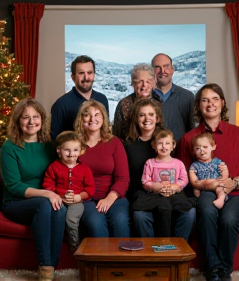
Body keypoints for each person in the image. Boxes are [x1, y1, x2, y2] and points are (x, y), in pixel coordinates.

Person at [177, 83, 239, 281]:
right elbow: (184, 176)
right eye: (205, 100)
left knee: (229, 219)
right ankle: (212, 269)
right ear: (199, 105)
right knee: (206, 212)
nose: (210, 104)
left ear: (222, 103)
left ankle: (225, 272)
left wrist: (235, 182)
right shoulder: (189, 139)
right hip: (206, 193)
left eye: (215, 99)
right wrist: (203, 186)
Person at [0, 98, 67, 281]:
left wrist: (61, 193)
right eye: (25, 117)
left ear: (42, 119)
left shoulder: (49, 146)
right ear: (17, 121)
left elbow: (59, 173)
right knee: (46, 205)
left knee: (60, 209)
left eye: (35, 117)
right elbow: (14, 185)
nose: (31, 122)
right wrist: (47, 193)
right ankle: (45, 268)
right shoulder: (9, 147)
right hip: (16, 203)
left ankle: (52, 265)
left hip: (47, 199)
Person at [124, 98, 195, 240]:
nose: (146, 119)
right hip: (145, 194)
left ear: (157, 118)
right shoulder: (128, 145)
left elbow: (180, 172)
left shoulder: (167, 141)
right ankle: (152, 255)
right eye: (142, 115)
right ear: (136, 119)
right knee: (139, 215)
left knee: (190, 213)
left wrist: (173, 188)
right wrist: (155, 188)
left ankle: (176, 252)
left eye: (151, 114)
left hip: (172, 191)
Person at [74, 100, 130, 237]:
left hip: (114, 196)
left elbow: (123, 178)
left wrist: (110, 198)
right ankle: (102, 258)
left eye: (97, 114)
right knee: (95, 221)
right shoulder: (74, 144)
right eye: (87, 115)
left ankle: (124, 258)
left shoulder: (114, 142)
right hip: (85, 198)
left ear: (103, 118)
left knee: (120, 220)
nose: (93, 119)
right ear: (81, 119)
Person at [42, 131, 95, 252]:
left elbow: (90, 188)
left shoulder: (84, 169)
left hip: (77, 202)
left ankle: (75, 246)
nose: (71, 154)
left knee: (71, 219)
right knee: (56, 218)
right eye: (67, 150)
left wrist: (79, 197)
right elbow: (48, 185)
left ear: (81, 151)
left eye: (75, 150)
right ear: (59, 151)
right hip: (58, 200)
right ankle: (55, 246)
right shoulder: (53, 167)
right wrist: (59, 196)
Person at [134, 129, 192, 237]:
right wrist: (156, 187)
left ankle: (179, 245)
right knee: (139, 211)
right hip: (154, 195)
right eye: (160, 143)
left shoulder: (178, 163)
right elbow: (145, 180)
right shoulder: (150, 163)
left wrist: (174, 187)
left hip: (174, 194)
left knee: (189, 210)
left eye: (167, 143)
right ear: (153, 145)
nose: (164, 146)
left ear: (173, 145)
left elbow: (184, 179)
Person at [51, 55, 109, 139]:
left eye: (89, 73)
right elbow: (55, 141)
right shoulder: (61, 105)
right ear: (73, 77)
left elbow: (105, 131)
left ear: (94, 75)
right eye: (81, 73)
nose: (86, 77)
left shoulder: (102, 99)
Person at [151, 53, 194, 142]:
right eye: (157, 67)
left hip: (179, 153)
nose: (162, 71)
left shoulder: (187, 97)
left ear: (172, 70)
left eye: (166, 66)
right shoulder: (145, 98)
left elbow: (192, 131)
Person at [112, 63, 161, 141]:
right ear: (133, 83)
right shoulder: (123, 104)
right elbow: (117, 135)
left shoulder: (160, 103)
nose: (144, 85)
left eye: (148, 81)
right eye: (140, 82)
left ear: (153, 83)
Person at [189, 132, 229, 209]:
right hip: (203, 187)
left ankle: (221, 198)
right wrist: (196, 185)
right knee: (196, 190)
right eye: (198, 148)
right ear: (193, 151)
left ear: (213, 147)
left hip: (216, 184)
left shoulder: (217, 162)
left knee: (220, 187)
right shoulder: (194, 165)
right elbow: (194, 181)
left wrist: (224, 174)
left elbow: (225, 174)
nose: (201, 150)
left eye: (205, 147)